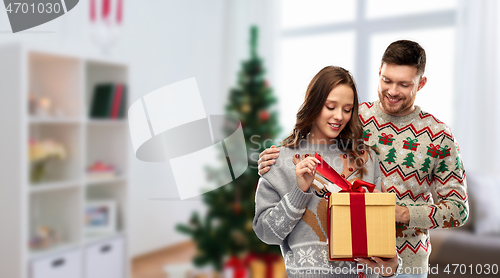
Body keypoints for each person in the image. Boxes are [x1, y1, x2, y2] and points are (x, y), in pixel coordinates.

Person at [258, 40, 469, 278]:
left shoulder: (439, 135)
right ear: (379, 73)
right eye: (387, 80)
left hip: (406, 264)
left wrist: (401, 213)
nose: (392, 91)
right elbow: (314, 136)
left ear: (421, 83)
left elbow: (459, 210)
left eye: (404, 84)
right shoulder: (355, 116)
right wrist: (274, 157)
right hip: (353, 261)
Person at [253, 66, 400, 278]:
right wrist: (299, 192)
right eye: (330, 106)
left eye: (347, 109)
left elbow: (379, 236)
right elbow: (266, 233)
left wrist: (390, 266)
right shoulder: (279, 160)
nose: (339, 116)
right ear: (313, 104)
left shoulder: (366, 159)